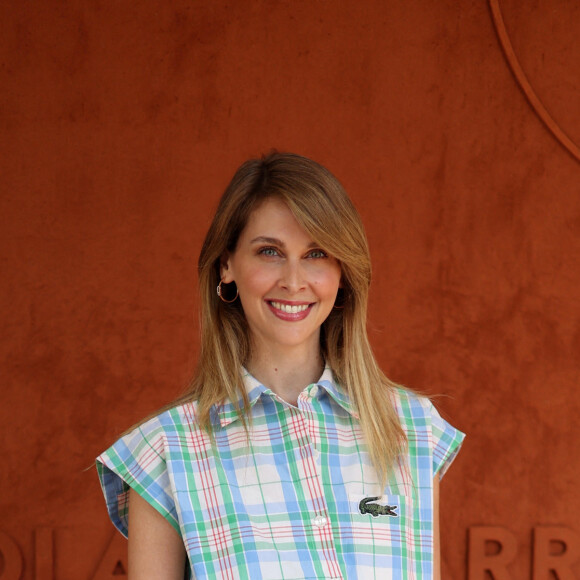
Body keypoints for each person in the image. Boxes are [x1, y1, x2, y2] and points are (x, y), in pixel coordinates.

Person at [96, 152, 464, 579]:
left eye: (317, 253)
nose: (293, 280)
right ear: (227, 264)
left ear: (342, 271)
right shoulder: (165, 451)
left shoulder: (410, 429)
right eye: (270, 251)